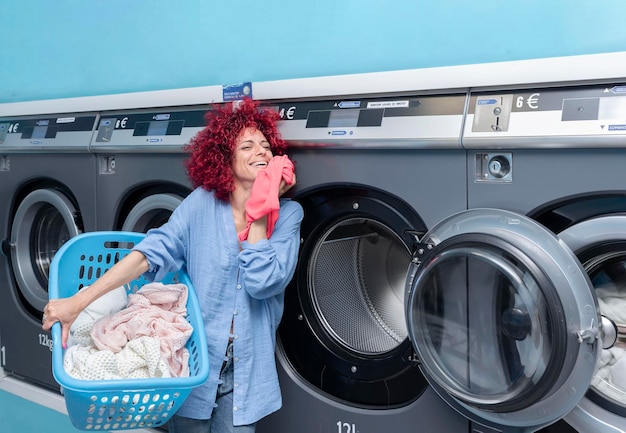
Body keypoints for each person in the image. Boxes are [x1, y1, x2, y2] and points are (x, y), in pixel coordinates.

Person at [42, 97, 304, 433]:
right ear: (225, 157)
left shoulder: (288, 216)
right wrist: (78, 303)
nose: (262, 154)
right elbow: (149, 254)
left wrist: (263, 208)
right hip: (194, 365)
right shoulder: (202, 204)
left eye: (267, 147)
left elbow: (262, 283)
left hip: (246, 373)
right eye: (247, 146)